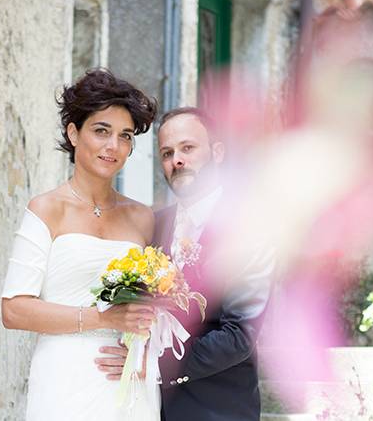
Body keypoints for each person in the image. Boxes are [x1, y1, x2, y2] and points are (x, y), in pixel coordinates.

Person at [1, 69, 160, 421]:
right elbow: (13, 310)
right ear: (74, 134)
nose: (113, 146)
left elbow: (161, 308)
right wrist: (101, 318)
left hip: (128, 383)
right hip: (64, 380)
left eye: (125, 136)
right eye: (101, 131)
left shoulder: (142, 218)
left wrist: (148, 357)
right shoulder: (46, 210)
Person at [96, 107, 274, 421]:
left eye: (187, 148)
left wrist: (154, 365)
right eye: (167, 153)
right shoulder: (156, 224)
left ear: (217, 152)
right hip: (150, 407)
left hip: (218, 409)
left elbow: (239, 335)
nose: (176, 160)